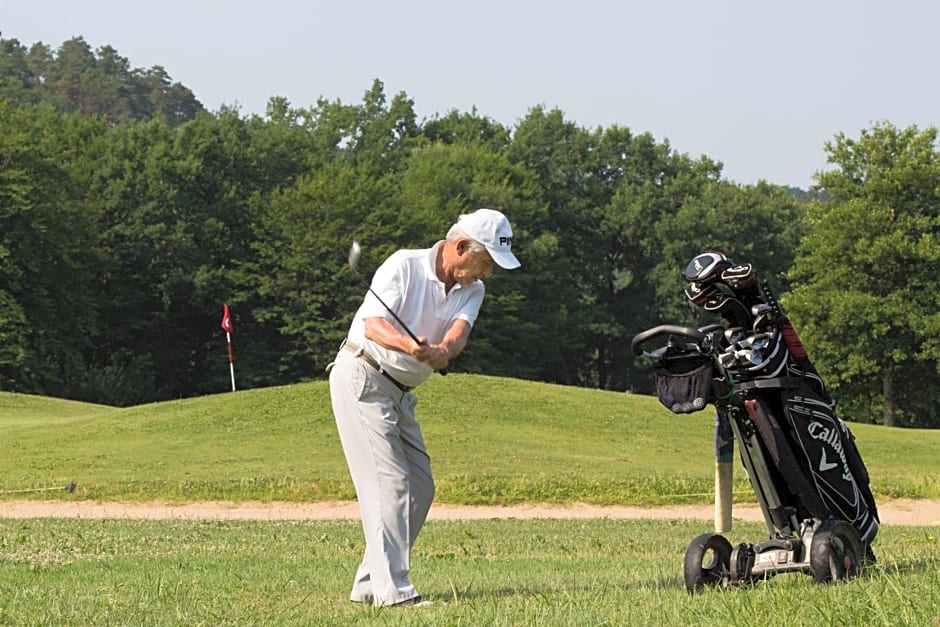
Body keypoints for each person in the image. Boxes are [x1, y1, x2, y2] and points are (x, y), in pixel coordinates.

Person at [328, 208, 521, 607]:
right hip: (363, 375)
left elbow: (457, 333)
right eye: (485, 263)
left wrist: (442, 353)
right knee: (390, 482)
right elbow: (373, 325)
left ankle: (369, 581)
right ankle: (393, 592)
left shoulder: (473, 289)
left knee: (419, 485)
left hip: (401, 391)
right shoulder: (404, 264)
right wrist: (411, 345)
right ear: (462, 246)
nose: (487, 273)